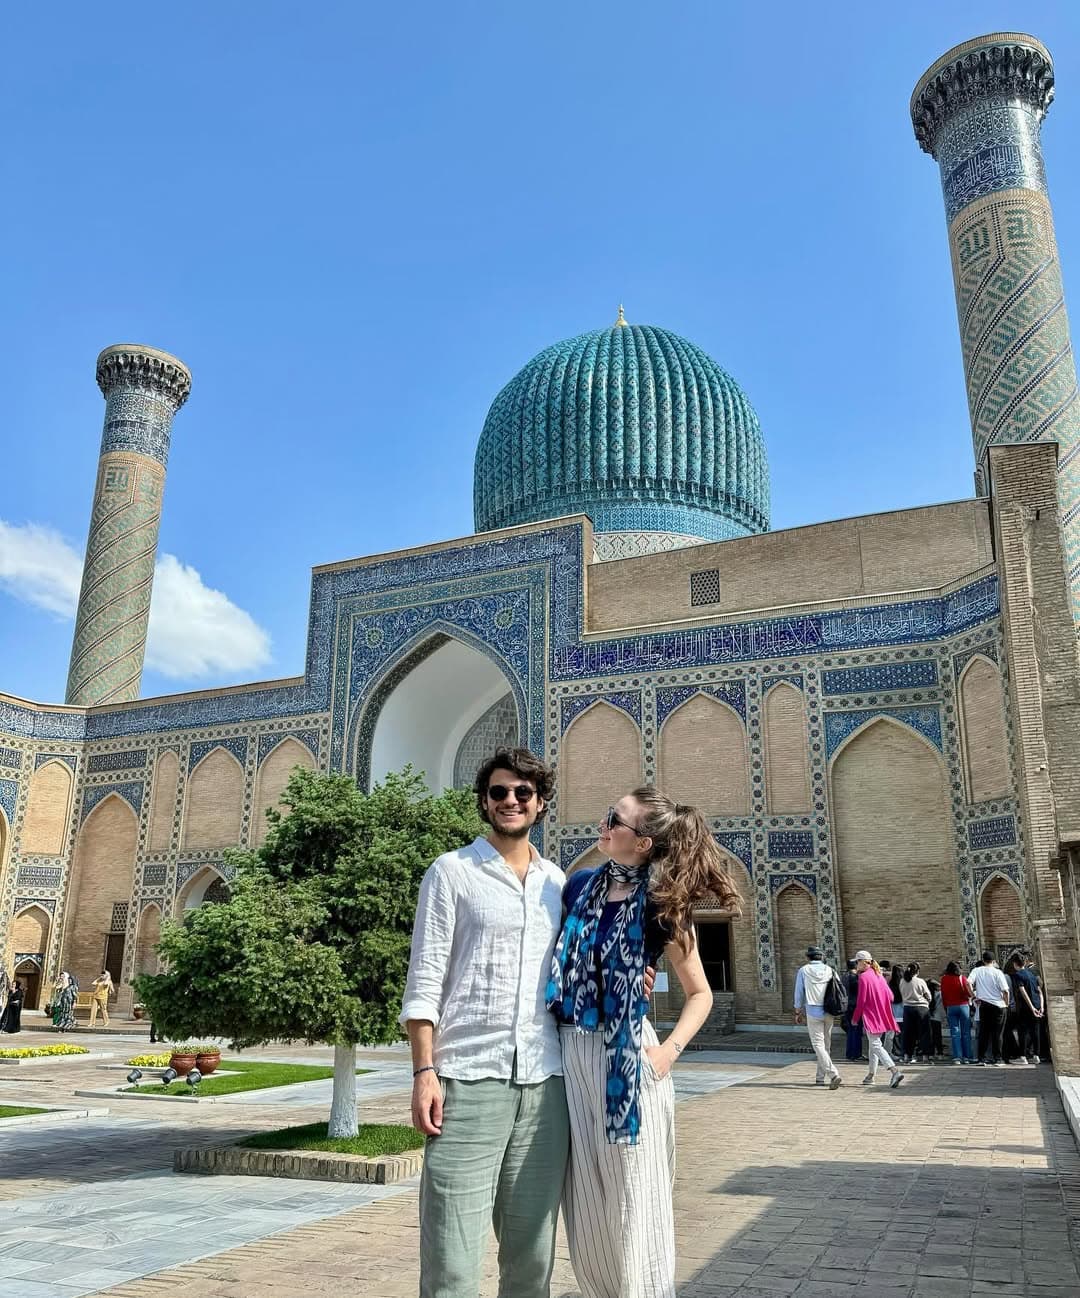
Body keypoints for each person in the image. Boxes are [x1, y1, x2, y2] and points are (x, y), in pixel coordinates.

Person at [549, 786, 741, 1298]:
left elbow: (700, 994)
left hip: (628, 1060)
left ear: (644, 843)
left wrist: (666, 1053)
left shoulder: (661, 908)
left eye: (616, 819)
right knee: (586, 1206)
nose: (604, 824)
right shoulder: (579, 888)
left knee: (636, 1206)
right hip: (572, 1054)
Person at [401, 747, 568, 1298]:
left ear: (541, 803)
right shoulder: (452, 872)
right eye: (499, 792)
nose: (511, 801)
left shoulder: (559, 884)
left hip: (546, 1085)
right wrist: (425, 1071)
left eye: (523, 793)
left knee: (532, 1257)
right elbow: (425, 979)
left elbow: (576, 968)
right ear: (484, 802)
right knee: (452, 1256)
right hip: (468, 1079)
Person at [850, 952, 904, 1088]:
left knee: (875, 1045)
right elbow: (890, 996)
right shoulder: (878, 975)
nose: (856, 965)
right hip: (883, 1014)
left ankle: (894, 1071)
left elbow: (861, 1000)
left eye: (857, 962)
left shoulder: (863, 977)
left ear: (863, 962)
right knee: (873, 1044)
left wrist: (855, 1018)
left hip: (871, 1016)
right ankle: (871, 1075)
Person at [794, 945, 843, 1089]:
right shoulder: (830, 970)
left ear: (808, 957)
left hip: (813, 1011)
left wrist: (798, 1011)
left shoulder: (803, 971)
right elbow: (838, 988)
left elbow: (799, 993)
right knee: (825, 1045)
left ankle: (833, 1074)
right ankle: (820, 1078)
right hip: (829, 1010)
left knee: (818, 1045)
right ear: (821, 957)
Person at [969, 950, 1011, 1066]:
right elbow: (1005, 991)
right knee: (998, 1033)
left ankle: (981, 1058)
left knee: (984, 1032)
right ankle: (998, 1058)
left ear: (983, 960)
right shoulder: (998, 973)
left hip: (984, 1004)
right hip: (998, 1005)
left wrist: (974, 997)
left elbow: (968, 983)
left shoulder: (977, 970)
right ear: (993, 961)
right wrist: (1006, 1004)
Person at [1006, 952, 1043, 1064]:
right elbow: (1040, 991)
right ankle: (1036, 1055)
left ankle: (1023, 1056)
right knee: (1035, 1031)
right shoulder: (1031, 974)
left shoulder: (1018, 975)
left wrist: (1031, 1008)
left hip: (1026, 1008)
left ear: (1015, 964)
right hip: (1037, 1005)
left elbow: (1023, 992)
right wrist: (1041, 1007)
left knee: (1023, 1032)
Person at [940, 960, 975, 1063]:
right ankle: (967, 1056)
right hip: (963, 1006)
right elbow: (968, 993)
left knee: (955, 1033)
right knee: (966, 1032)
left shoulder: (944, 979)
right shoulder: (962, 978)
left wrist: (945, 1007)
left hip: (950, 1007)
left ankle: (957, 1057)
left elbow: (943, 995)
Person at [899, 962, 932, 1063]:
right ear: (917, 971)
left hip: (907, 1008)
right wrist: (927, 1001)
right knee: (924, 1032)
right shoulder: (920, 981)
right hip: (921, 1008)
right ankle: (925, 1055)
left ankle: (906, 1055)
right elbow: (928, 996)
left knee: (908, 1033)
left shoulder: (902, 981)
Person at [843, 958, 864, 1063]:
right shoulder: (855, 978)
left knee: (851, 1030)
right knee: (856, 1030)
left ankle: (850, 1053)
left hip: (847, 1006)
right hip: (855, 1006)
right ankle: (856, 1054)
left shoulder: (844, 976)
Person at [927, 979, 946, 1058]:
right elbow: (943, 988)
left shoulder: (927, 995)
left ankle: (930, 1054)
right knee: (938, 1036)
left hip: (928, 1017)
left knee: (929, 1036)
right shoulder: (940, 994)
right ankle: (940, 1053)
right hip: (937, 1017)